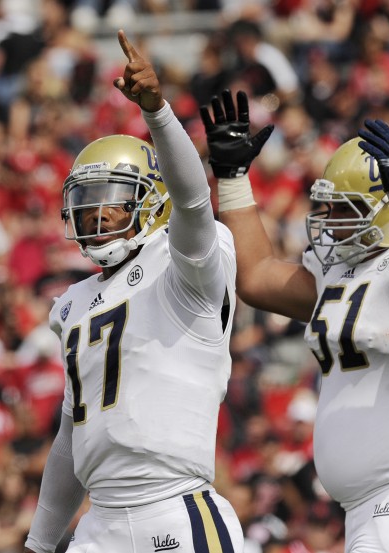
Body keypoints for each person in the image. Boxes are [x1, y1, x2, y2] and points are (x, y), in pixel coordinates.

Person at [199, 89, 389, 552]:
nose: (329, 222)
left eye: (344, 209)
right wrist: (233, 178)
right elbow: (255, 278)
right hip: (366, 509)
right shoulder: (339, 270)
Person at [23, 30, 242, 553]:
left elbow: (192, 202)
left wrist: (158, 112)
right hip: (98, 525)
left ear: (151, 200)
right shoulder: (71, 304)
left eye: (113, 201)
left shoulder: (180, 265)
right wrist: (38, 543)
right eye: (87, 203)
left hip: (176, 505)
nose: (96, 216)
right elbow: (71, 436)